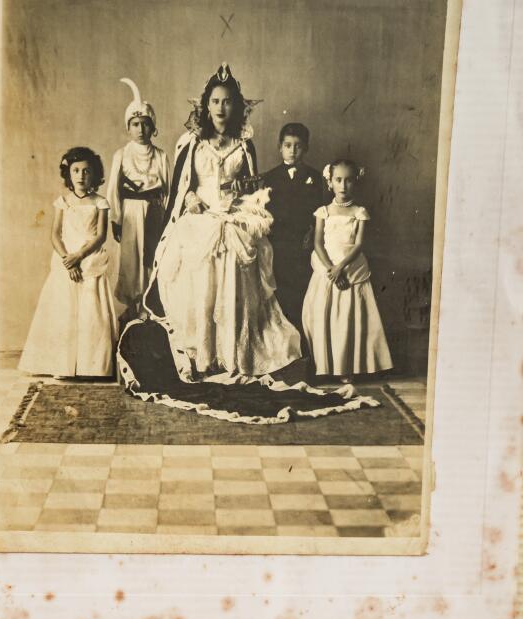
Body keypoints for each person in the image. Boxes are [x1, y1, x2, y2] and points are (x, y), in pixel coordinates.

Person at [142, 63, 302, 383]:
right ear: (206, 106)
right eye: (215, 101)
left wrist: (243, 198)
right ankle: (202, 354)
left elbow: (253, 191)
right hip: (200, 216)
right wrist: (190, 201)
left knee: (235, 251)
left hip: (232, 213)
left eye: (227, 101)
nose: (220, 108)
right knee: (200, 261)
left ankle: (231, 353)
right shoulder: (191, 143)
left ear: (236, 107)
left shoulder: (244, 144)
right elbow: (181, 188)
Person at [18, 146, 117, 378]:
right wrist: (67, 260)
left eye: (86, 171)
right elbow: (55, 235)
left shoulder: (100, 202)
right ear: (68, 174)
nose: (81, 175)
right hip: (66, 259)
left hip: (89, 256)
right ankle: (61, 365)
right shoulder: (63, 202)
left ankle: (91, 366)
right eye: (76, 170)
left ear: (94, 174)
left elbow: (101, 235)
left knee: (91, 312)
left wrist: (79, 257)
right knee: (64, 311)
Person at [302, 158, 393, 380]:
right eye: (338, 180)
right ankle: (324, 365)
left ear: (356, 183)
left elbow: (359, 244)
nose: (343, 186)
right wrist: (331, 269)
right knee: (322, 315)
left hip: (350, 267)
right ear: (330, 182)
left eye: (349, 180)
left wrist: (341, 267)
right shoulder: (323, 211)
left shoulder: (359, 212)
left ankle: (345, 368)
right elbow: (317, 243)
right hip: (327, 268)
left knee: (347, 318)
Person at [107, 78, 170, 325]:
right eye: (135, 124)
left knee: (151, 258)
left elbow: (167, 189)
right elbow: (113, 190)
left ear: (152, 127)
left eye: (145, 124)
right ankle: (133, 306)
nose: (140, 130)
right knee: (131, 259)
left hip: (154, 212)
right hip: (131, 212)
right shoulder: (121, 155)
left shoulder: (161, 156)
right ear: (128, 128)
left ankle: (148, 307)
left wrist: (165, 218)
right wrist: (117, 218)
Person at [261, 122, 328, 338]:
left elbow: (321, 209)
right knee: (279, 292)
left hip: (304, 243)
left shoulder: (316, 178)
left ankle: (305, 340)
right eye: (288, 145)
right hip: (277, 244)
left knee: (304, 291)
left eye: (298, 145)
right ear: (280, 147)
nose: (292, 150)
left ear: (306, 148)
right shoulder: (268, 178)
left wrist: (311, 232)